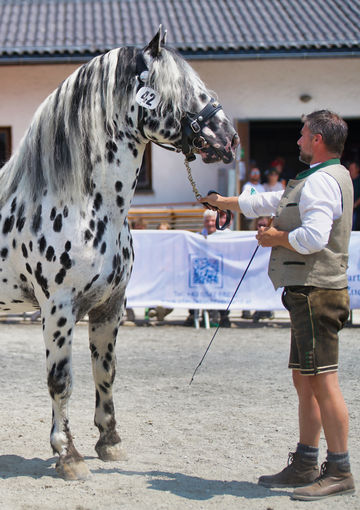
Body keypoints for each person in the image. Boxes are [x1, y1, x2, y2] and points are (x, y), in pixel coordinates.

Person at [200, 110, 355, 501]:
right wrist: (224, 201)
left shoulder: (320, 182)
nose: (299, 141)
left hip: (316, 291)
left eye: (303, 135)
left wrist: (276, 239)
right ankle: (306, 461)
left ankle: (339, 469)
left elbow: (315, 237)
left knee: (322, 381)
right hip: (308, 292)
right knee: (306, 380)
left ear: (318, 139)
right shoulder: (316, 178)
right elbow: (269, 200)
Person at [184, 210, 231, 327]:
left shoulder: (227, 235)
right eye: (207, 221)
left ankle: (223, 315)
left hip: (222, 270)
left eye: (212, 220)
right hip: (204, 269)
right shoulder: (198, 236)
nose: (210, 223)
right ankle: (192, 314)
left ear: (217, 221)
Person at [348, 160, 360, 230]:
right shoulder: (349, 180)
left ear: (357, 169)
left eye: (352, 169)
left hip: (356, 210)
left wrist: (355, 205)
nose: (350, 171)